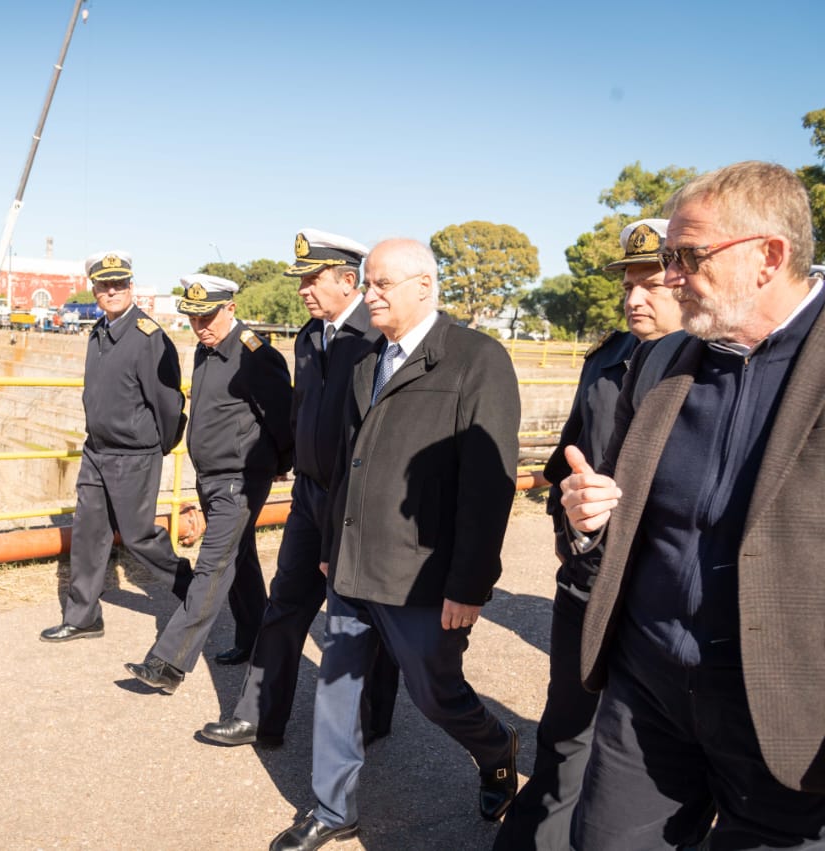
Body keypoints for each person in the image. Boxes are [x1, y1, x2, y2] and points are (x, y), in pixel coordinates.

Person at [562, 161, 825, 847]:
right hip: (646, 691)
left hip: (788, 716)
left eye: (687, 256)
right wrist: (590, 517)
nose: (670, 275)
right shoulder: (666, 359)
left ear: (770, 256)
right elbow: (621, 494)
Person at [271, 238, 521, 851]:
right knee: (336, 688)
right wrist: (332, 544)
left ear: (424, 287)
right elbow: (346, 469)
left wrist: (469, 585)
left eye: (383, 284)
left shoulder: (474, 359)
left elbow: (489, 487)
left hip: (422, 576)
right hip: (354, 564)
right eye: (368, 282)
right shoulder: (366, 363)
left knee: (436, 695)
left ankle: (495, 748)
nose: (371, 294)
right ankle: (334, 809)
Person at [495, 219, 684, 850]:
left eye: (652, 283)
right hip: (588, 581)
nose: (635, 298)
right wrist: (567, 534)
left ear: (688, 282)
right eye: (628, 284)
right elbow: (569, 456)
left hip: (665, 596)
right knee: (566, 731)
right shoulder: (606, 358)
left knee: (660, 759)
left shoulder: (719, 371)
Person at [201, 229, 399, 748]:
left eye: (314, 280)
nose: (304, 290)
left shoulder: (377, 338)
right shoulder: (309, 336)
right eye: (303, 281)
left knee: (363, 616)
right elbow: (299, 410)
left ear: (348, 281)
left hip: (358, 502)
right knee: (284, 606)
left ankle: (373, 718)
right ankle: (258, 715)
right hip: (311, 497)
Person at [125, 274, 293, 694]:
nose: (202, 326)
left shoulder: (255, 354)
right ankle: (255, 639)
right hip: (211, 476)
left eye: (209, 317)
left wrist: (281, 464)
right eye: (195, 318)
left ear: (231, 309)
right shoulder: (206, 350)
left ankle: (168, 662)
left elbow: (282, 418)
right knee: (241, 561)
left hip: (239, 479)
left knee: (212, 565)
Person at [40, 251, 191, 643]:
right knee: (88, 534)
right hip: (97, 452)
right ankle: (83, 615)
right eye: (104, 285)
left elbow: (169, 404)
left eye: (119, 284)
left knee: (139, 536)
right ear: (94, 290)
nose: (112, 291)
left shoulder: (148, 338)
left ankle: (198, 594)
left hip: (133, 455)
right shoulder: (98, 332)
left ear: (131, 287)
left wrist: (152, 445)